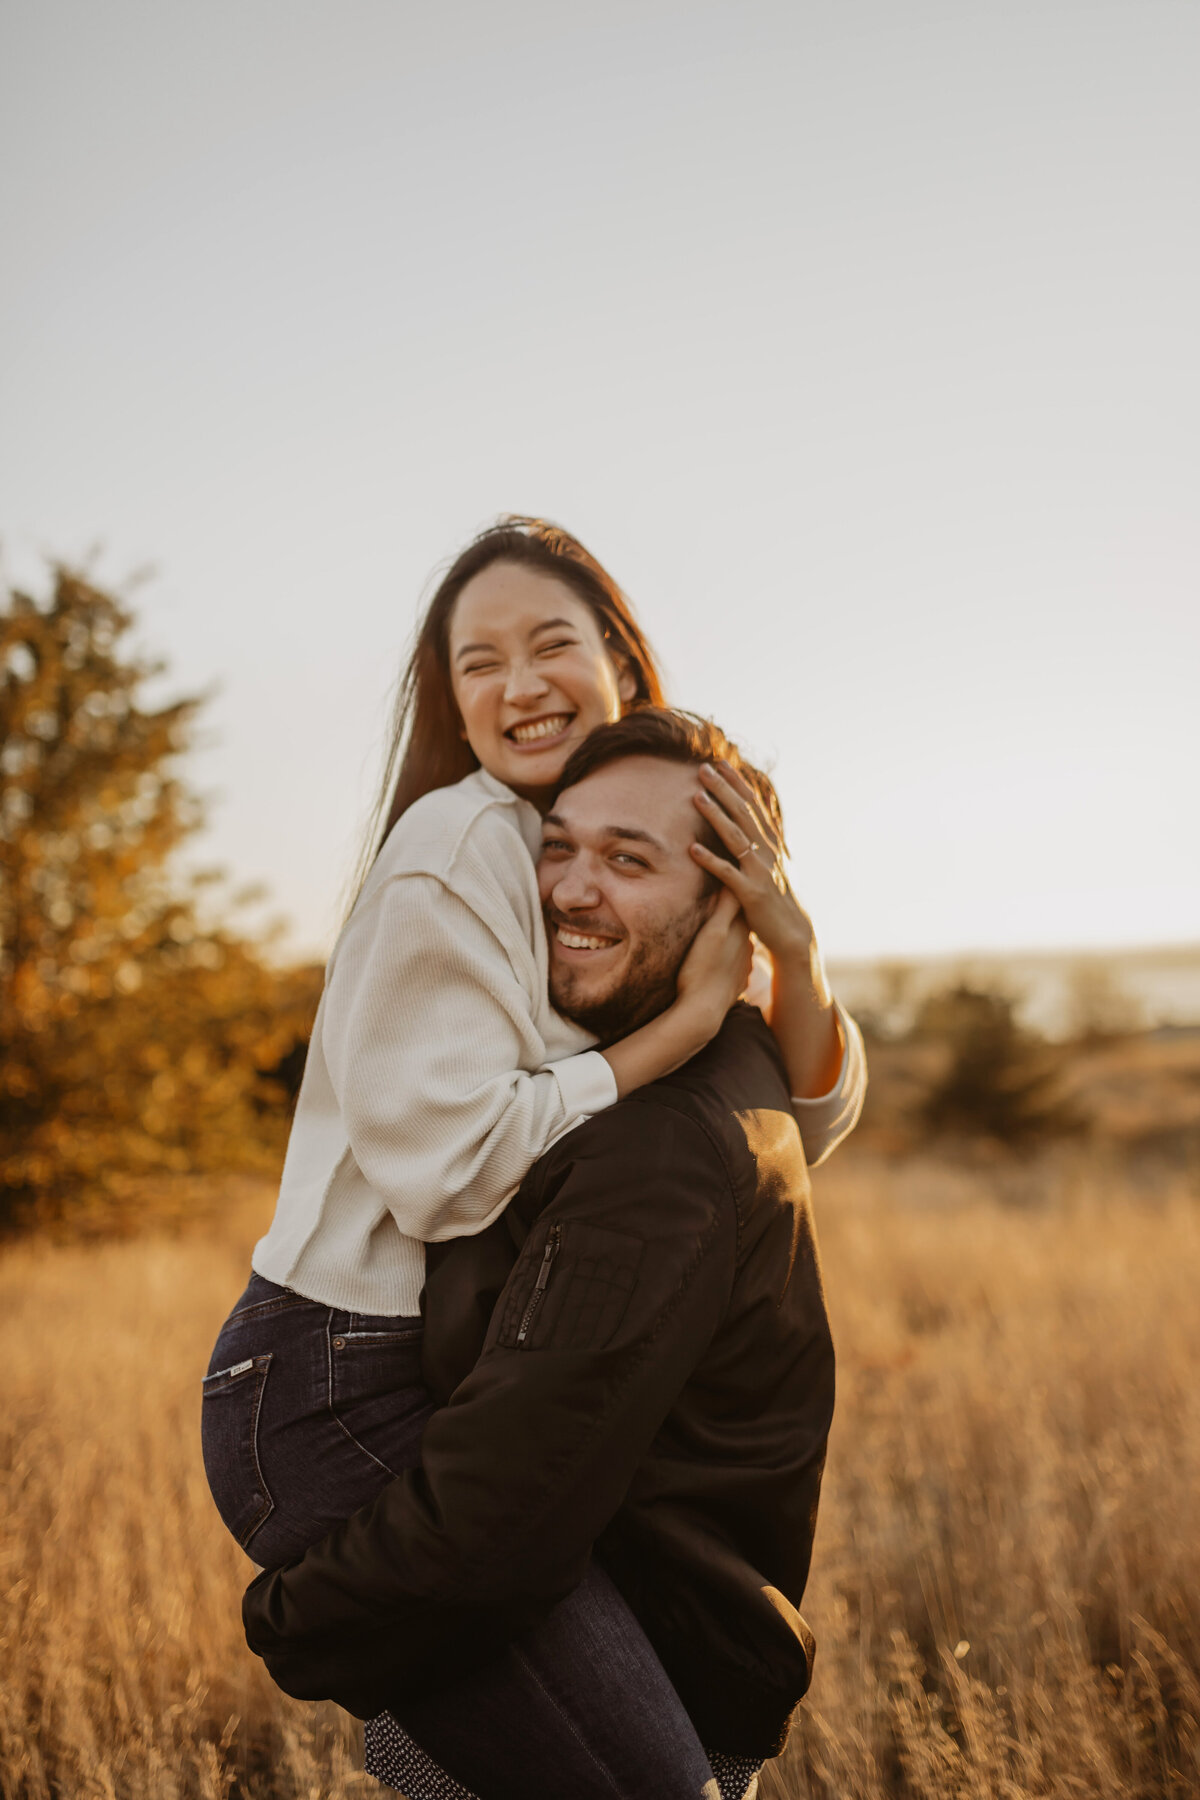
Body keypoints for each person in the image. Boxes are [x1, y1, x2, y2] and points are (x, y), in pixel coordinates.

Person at [201, 518, 865, 1798]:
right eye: (476, 663)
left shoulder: (619, 818)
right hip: (339, 1367)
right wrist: (673, 1030)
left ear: (622, 658)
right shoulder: (464, 848)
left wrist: (799, 954)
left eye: (551, 644)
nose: (518, 686)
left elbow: (785, 1126)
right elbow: (449, 1170)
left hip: (447, 1362)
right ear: (448, 702)